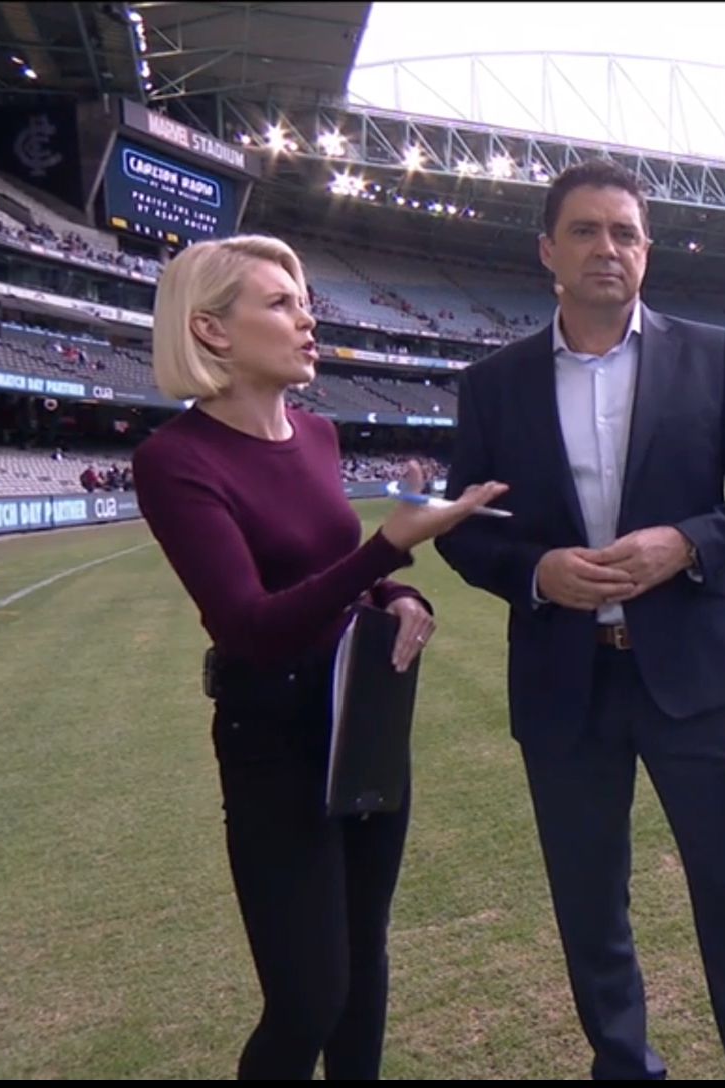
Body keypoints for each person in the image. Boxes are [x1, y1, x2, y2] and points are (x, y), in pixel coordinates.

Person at [435, 160, 725, 1080]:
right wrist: (536, 573)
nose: (609, 247)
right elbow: (464, 531)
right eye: (587, 231)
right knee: (590, 905)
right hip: (566, 682)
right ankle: (624, 1064)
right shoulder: (493, 384)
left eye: (626, 233)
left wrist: (685, 542)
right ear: (548, 251)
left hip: (698, 680)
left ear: (647, 251)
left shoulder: (709, 354)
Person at [132, 234, 508, 1080]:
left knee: (362, 973)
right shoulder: (174, 461)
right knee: (308, 997)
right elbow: (249, 628)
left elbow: (333, 575)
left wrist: (399, 594)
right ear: (210, 329)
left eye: (305, 302)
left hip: (361, 718)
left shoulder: (318, 434)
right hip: (274, 738)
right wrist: (390, 547)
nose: (308, 321)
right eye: (280, 304)